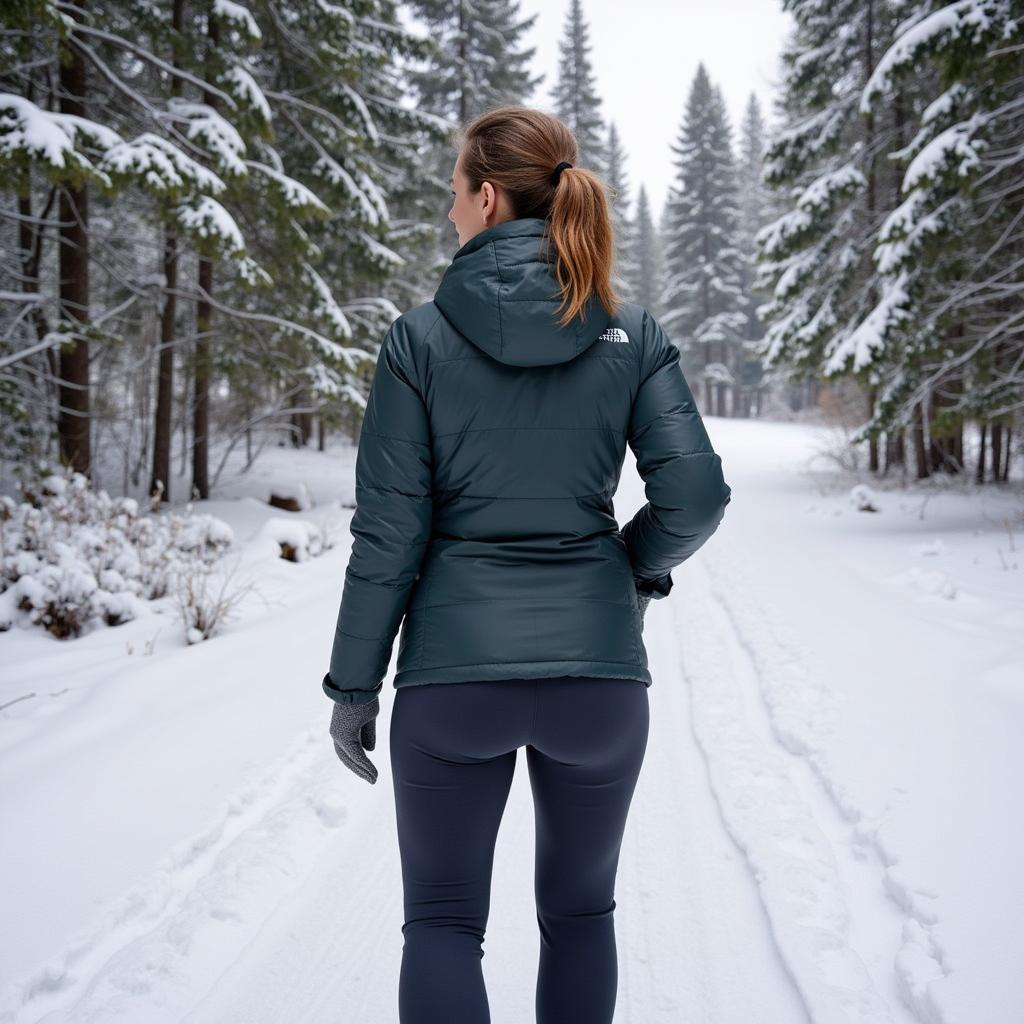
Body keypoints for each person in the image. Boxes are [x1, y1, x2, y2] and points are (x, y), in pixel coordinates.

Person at [322, 104, 731, 1024]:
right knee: (582, 915)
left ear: (489, 195)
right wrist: (631, 569)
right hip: (599, 683)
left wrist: (355, 686)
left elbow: (390, 531)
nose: (451, 210)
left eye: (456, 191)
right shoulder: (632, 332)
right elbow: (696, 498)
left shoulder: (417, 341)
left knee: (440, 924)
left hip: (451, 685)